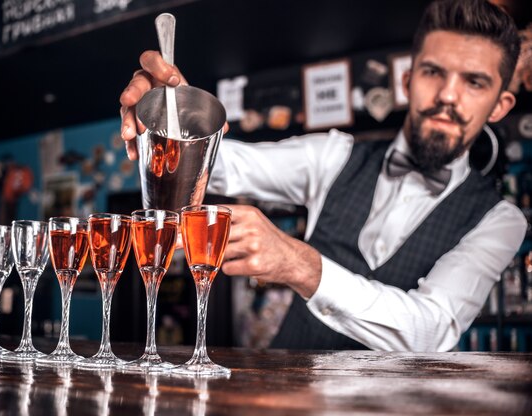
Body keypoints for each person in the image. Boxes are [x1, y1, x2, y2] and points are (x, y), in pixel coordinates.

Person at [118, 0, 527, 352]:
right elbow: (225, 165)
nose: (448, 96)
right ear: (407, 80)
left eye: (474, 82)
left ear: (499, 105)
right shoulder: (335, 155)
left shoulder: (500, 221)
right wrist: (175, 121)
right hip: (284, 401)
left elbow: (431, 330)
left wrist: (301, 264)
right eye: (434, 72)